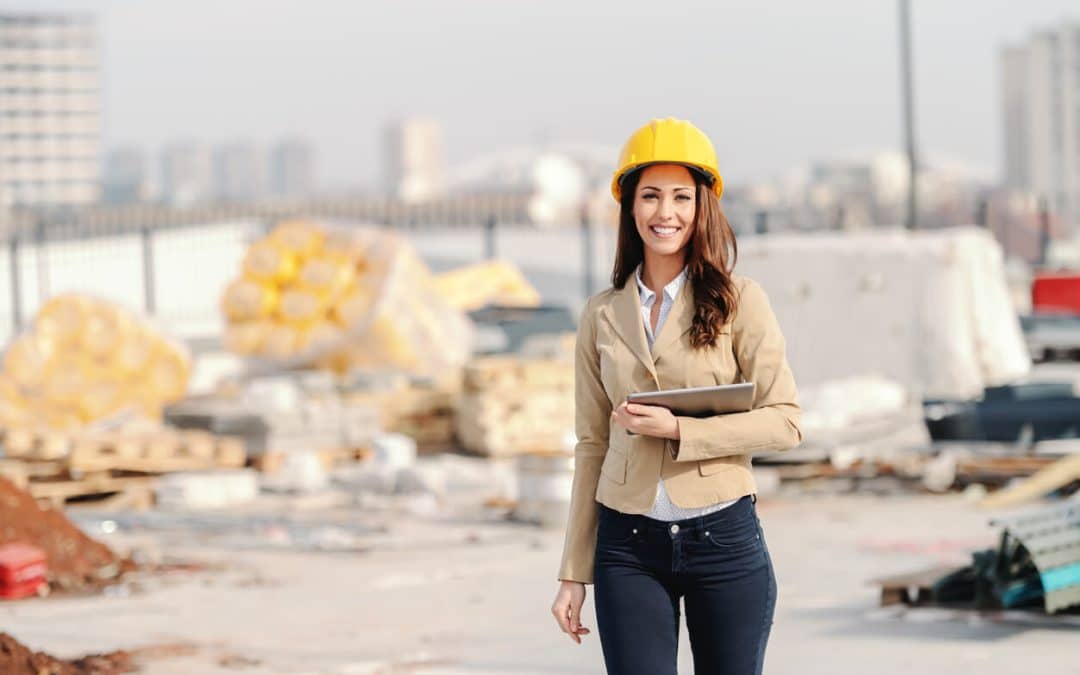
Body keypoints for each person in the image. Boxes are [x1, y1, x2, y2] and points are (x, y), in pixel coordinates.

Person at [549, 118, 802, 675]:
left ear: (702, 205)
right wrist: (573, 570)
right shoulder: (600, 313)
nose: (666, 212)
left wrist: (683, 432)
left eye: (681, 197)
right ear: (630, 207)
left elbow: (785, 422)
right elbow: (591, 444)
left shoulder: (741, 301)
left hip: (724, 541)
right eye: (651, 196)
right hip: (627, 546)